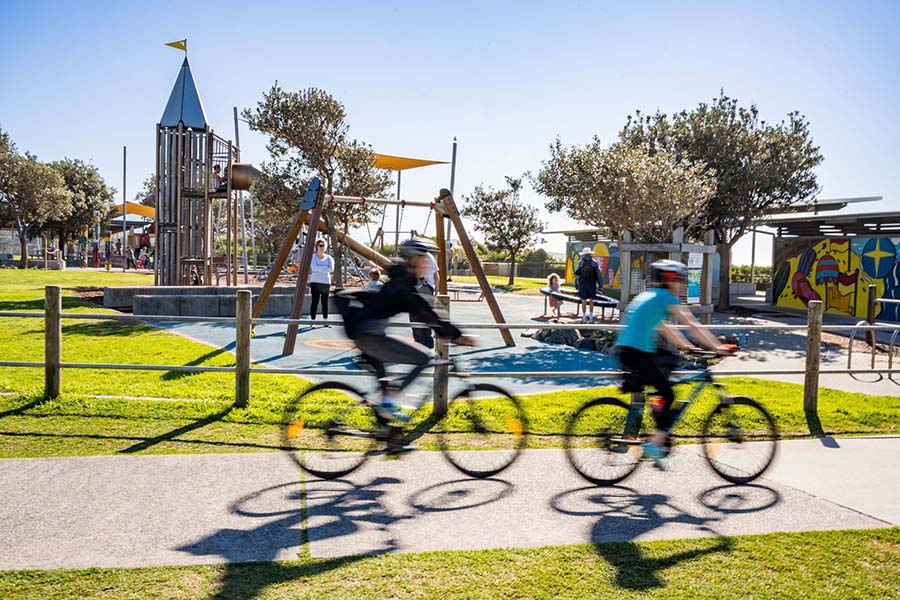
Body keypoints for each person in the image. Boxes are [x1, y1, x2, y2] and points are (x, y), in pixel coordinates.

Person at [336, 239, 476, 422]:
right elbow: (430, 316)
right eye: (423, 259)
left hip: (369, 334)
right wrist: (458, 337)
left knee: (388, 384)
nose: (427, 264)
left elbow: (428, 312)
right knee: (424, 358)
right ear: (413, 261)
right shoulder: (404, 287)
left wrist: (453, 333)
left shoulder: (402, 281)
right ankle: (387, 404)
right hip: (369, 337)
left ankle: (388, 431)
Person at [615, 260, 732, 469]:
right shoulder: (666, 298)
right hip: (637, 354)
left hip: (628, 351)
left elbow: (666, 327)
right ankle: (655, 444)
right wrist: (718, 347)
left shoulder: (651, 296)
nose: (681, 285)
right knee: (669, 394)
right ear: (672, 280)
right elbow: (692, 325)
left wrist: (687, 347)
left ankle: (657, 419)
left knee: (668, 363)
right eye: (680, 280)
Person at [411, 240, 439, 349]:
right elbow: (437, 275)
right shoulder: (431, 257)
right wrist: (436, 291)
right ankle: (428, 342)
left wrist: (422, 279)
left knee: (415, 316)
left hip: (420, 287)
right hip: (429, 288)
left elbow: (417, 270)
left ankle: (419, 342)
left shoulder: (419, 257)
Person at [309, 238, 334, 323]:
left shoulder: (329, 258)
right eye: (320, 245)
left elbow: (331, 269)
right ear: (317, 246)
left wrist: (319, 268)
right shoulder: (313, 257)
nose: (322, 247)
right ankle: (312, 320)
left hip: (326, 282)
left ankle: (325, 320)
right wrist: (324, 268)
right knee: (315, 301)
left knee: (325, 302)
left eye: (323, 245)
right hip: (315, 282)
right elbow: (314, 268)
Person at [574, 247, 603, 323]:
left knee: (583, 301)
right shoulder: (595, 263)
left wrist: (578, 284)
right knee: (591, 301)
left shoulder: (580, 262)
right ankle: (591, 317)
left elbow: (577, 275)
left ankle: (583, 317)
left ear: (583, 254)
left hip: (583, 284)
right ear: (590, 254)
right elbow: (599, 275)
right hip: (592, 284)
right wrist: (600, 286)